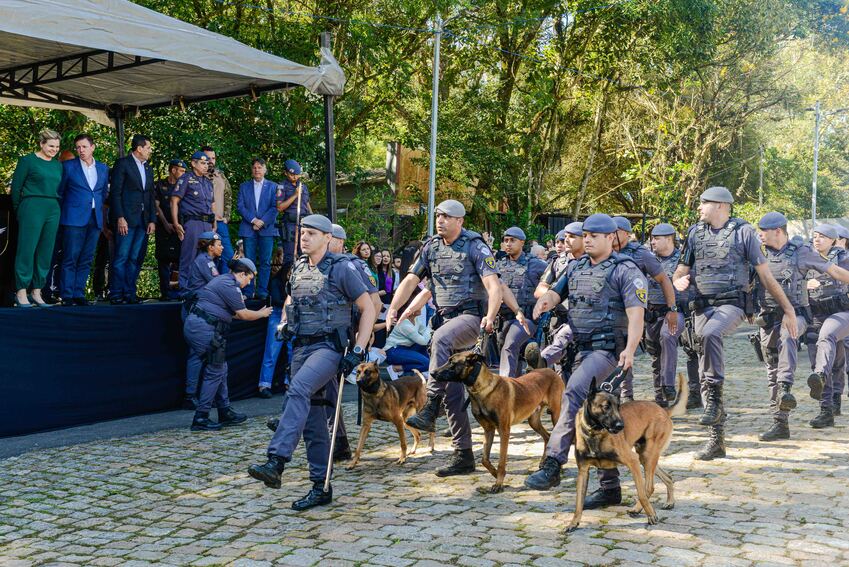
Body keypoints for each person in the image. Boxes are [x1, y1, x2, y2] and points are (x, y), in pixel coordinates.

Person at [248, 214, 376, 511]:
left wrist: (358, 349)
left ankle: (276, 460)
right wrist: (283, 323)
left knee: (299, 389)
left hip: (329, 347)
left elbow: (368, 307)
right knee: (315, 421)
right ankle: (321, 486)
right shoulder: (298, 268)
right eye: (302, 233)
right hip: (301, 346)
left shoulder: (342, 268)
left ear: (327, 238)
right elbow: (292, 301)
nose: (304, 237)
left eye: (311, 234)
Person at [524, 213, 646, 511]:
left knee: (574, 393)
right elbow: (556, 291)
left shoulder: (626, 271)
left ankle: (552, 463)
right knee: (595, 416)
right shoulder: (576, 266)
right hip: (579, 350)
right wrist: (546, 301)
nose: (587, 238)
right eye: (586, 234)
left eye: (594, 235)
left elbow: (636, 314)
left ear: (611, 238)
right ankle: (609, 487)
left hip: (607, 351)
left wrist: (630, 349)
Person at [673, 186, 797, 460]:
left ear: (720, 206)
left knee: (711, 335)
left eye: (703, 203)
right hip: (702, 307)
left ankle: (715, 398)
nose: (698, 208)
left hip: (733, 305)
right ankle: (716, 440)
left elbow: (766, 276)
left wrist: (788, 309)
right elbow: (680, 270)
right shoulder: (694, 234)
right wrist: (677, 280)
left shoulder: (744, 234)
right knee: (705, 358)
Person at [388, 199, 502, 477]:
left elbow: (493, 285)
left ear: (460, 221)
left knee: (439, 339)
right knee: (453, 395)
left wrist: (490, 314)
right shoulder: (430, 247)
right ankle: (463, 455)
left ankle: (432, 401)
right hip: (445, 318)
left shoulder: (475, 246)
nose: (440, 220)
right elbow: (413, 281)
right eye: (438, 215)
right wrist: (394, 307)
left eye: (447, 216)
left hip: (471, 318)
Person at [755, 215, 849, 439]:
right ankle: (780, 422)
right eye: (815, 236)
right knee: (772, 370)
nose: (760, 234)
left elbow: (836, 273)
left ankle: (807, 396)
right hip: (771, 318)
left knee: (825, 355)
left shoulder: (804, 253)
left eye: (764, 230)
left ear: (778, 231)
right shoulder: (757, 253)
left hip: (818, 314)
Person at [185, 257, 272, 431]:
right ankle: (201, 418)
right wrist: (262, 313)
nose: (249, 283)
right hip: (205, 329)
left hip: (202, 327)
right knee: (215, 370)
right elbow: (243, 315)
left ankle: (224, 411)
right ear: (241, 273)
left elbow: (227, 312)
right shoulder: (229, 286)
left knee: (220, 369)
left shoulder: (225, 281)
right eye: (249, 278)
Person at [612, 216, 678, 402]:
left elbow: (663, 279)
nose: (610, 235)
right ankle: (619, 395)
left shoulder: (641, 253)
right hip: (612, 310)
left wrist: (672, 308)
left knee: (628, 351)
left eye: (615, 232)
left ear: (625, 233)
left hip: (636, 312)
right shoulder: (605, 251)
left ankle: (630, 397)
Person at [11, 128, 63, 308]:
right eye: (50, 145)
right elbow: (16, 188)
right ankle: (21, 291)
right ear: (41, 144)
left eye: (57, 146)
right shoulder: (27, 161)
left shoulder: (58, 165)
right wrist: (20, 210)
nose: (54, 149)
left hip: (53, 208)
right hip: (32, 206)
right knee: (27, 249)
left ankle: (37, 291)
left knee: (46, 251)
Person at [805, 224, 849, 429]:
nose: (817, 239)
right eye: (815, 236)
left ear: (833, 240)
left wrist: (821, 282)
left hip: (840, 312)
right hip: (816, 314)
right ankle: (827, 408)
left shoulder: (843, 257)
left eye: (822, 236)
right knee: (823, 358)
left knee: (833, 357)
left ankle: (833, 401)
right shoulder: (806, 258)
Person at [57, 134, 109, 306]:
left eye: (84, 147)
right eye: (78, 147)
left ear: (92, 147)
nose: (81, 150)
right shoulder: (68, 166)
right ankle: (67, 295)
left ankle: (79, 293)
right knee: (70, 257)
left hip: (95, 219)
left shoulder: (102, 168)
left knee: (87, 258)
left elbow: (102, 194)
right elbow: (60, 192)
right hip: (73, 219)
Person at [108, 134, 155, 305]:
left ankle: (130, 293)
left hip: (143, 220)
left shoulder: (148, 167)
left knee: (134, 258)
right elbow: (115, 193)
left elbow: (150, 194)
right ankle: (116, 293)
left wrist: (152, 219)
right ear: (139, 148)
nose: (150, 150)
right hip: (126, 219)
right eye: (148, 147)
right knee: (121, 256)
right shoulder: (123, 164)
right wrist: (120, 217)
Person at [644, 223, 687, 407]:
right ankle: (660, 398)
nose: (652, 241)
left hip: (675, 312)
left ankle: (668, 385)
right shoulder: (648, 259)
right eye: (652, 238)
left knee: (667, 335)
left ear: (669, 239)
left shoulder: (682, 262)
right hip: (652, 313)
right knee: (655, 356)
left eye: (656, 238)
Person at [496, 226, 546, 377]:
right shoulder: (499, 265)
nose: (508, 244)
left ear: (522, 242)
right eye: (506, 241)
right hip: (504, 319)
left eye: (512, 240)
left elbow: (552, 282)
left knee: (509, 346)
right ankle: (517, 389)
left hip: (527, 318)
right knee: (510, 354)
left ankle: (505, 386)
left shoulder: (536, 264)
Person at [172, 151, 215, 292]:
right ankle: (185, 290)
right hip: (192, 223)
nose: (205, 166)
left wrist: (214, 222)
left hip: (207, 224)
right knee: (189, 256)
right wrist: (176, 223)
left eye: (207, 164)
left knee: (207, 258)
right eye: (202, 163)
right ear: (193, 163)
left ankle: (203, 289)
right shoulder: (185, 179)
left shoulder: (208, 182)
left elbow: (212, 204)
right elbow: (174, 201)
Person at [237, 158, 279, 299]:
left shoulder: (273, 187)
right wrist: (254, 220)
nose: (257, 170)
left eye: (260, 167)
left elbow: (275, 207)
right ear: (251, 170)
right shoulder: (244, 186)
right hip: (248, 228)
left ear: (265, 169)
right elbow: (240, 207)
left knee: (266, 261)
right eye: (254, 167)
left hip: (266, 229)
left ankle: (262, 291)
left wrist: (262, 222)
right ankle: (248, 291)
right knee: (249, 261)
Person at [258, 248, 289, 398]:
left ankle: (290, 382)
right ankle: (264, 385)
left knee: (292, 351)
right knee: (272, 350)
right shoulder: (276, 281)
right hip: (277, 314)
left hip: (293, 316)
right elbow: (277, 300)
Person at [154, 159, 186, 301]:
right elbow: (156, 205)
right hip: (163, 227)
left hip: (181, 227)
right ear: (173, 170)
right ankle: (165, 293)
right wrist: (166, 223)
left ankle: (181, 292)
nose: (184, 174)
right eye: (182, 171)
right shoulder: (160, 185)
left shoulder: (185, 186)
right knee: (163, 260)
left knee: (181, 259)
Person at [202, 146, 234, 273]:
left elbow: (228, 195)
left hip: (220, 222)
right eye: (207, 158)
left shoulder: (220, 175)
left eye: (213, 158)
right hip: (203, 223)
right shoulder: (195, 177)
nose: (211, 161)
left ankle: (222, 286)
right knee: (205, 256)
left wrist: (227, 216)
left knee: (228, 256)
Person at [276, 159, 312, 265]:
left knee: (305, 254)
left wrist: (312, 218)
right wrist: (295, 195)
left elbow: (307, 204)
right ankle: (286, 280)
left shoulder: (303, 186)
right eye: (292, 174)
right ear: (286, 173)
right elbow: (279, 207)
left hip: (304, 224)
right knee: (289, 257)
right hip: (290, 224)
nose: (295, 177)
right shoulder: (281, 187)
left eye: (297, 174)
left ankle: (302, 279)